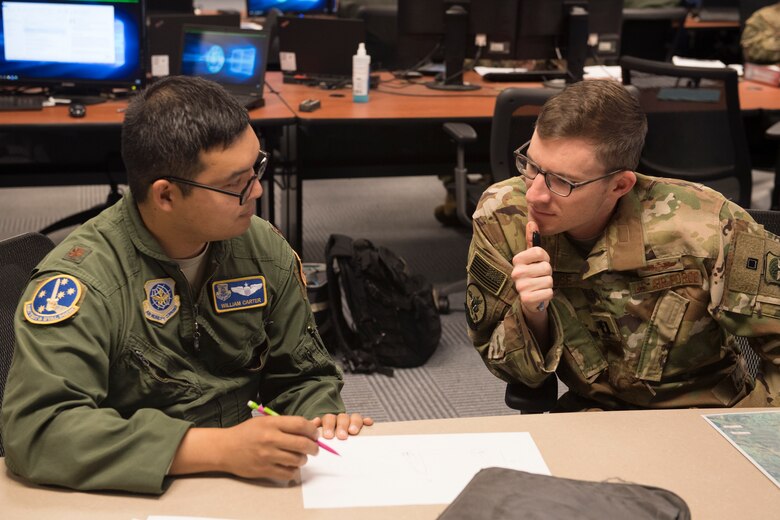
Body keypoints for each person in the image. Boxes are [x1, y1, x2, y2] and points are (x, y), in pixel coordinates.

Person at [1, 76, 372, 494]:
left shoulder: (261, 249)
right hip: (130, 487)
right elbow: (37, 430)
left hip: (247, 478)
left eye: (257, 168)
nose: (258, 191)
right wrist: (216, 450)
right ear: (165, 195)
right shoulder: (86, 281)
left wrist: (318, 419)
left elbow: (302, 376)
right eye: (236, 184)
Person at [465, 79, 779, 411]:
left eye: (562, 182)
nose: (534, 194)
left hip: (705, 416)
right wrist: (533, 317)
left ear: (620, 185)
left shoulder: (706, 225)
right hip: (595, 416)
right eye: (531, 165)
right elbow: (509, 368)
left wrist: (754, 432)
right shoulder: (504, 215)